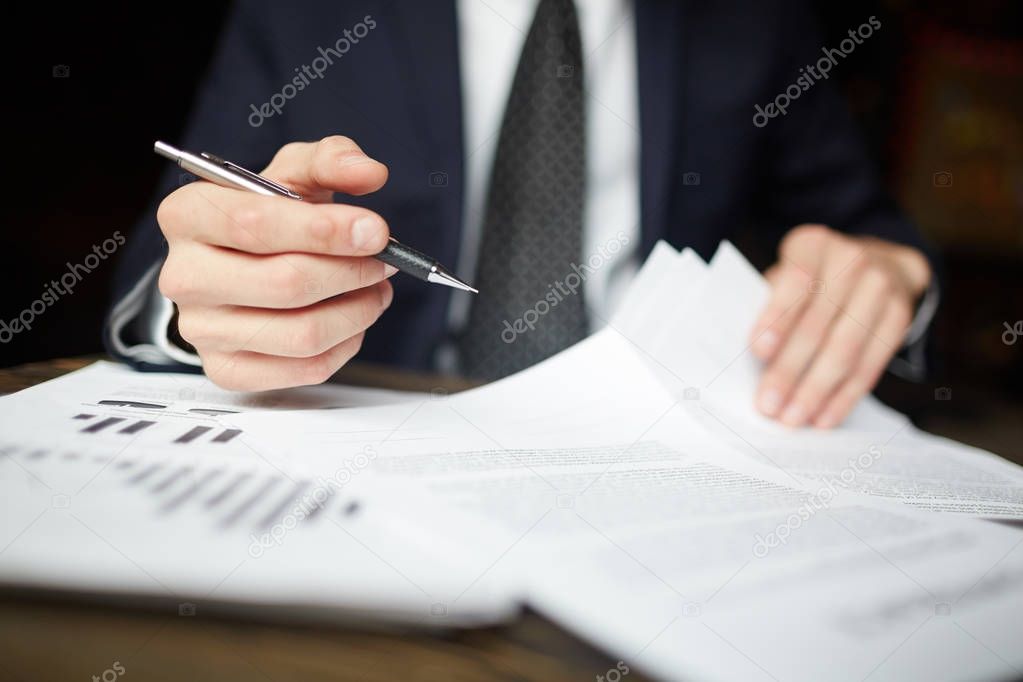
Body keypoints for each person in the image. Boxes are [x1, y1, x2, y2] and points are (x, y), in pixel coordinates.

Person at [106, 0, 937, 429]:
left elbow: (865, 232)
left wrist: (886, 279)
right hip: (361, 438)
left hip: (654, 460)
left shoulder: (754, 16)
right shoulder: (304, 13)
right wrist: (202, 315)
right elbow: (174, 262)